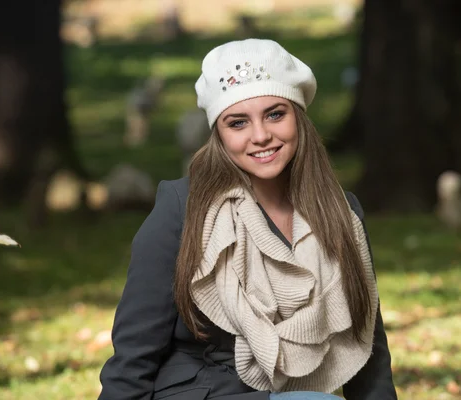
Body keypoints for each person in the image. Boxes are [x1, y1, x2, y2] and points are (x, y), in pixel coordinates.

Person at [98, 39, 397, 400]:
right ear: (219, 135)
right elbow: (133, 356)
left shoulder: (340, 212)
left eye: (275, 114)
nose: (260, 136)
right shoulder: (182, 208)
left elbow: (369, 348)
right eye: (238, 123)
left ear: (298, 116)